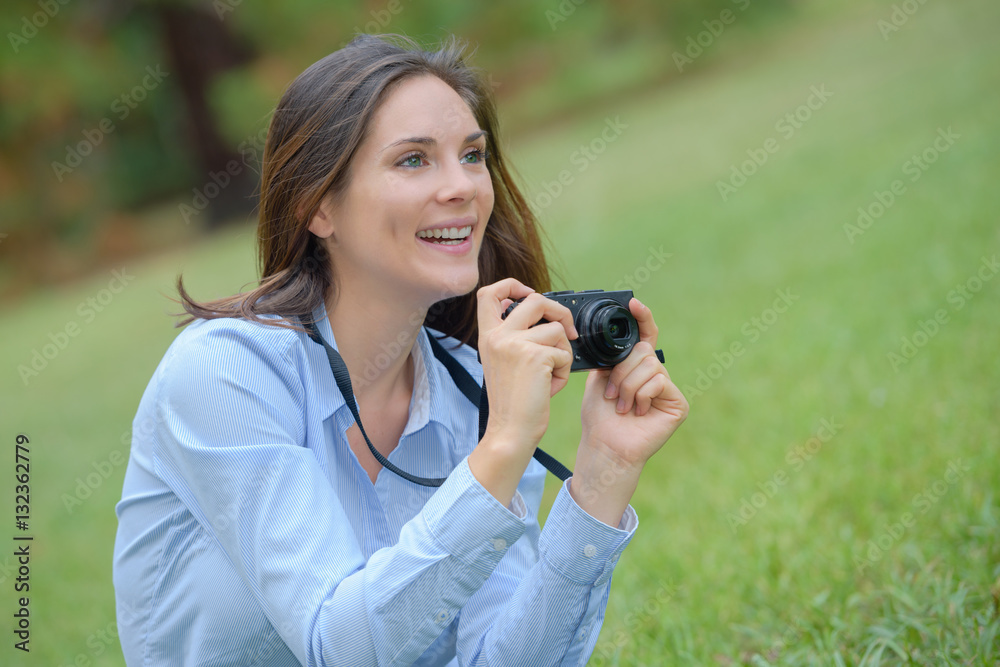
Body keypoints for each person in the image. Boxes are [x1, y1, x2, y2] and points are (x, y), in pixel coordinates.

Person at [113, 34, 688, 666]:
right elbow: (338, 647)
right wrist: (500, 450)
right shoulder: (224, 374)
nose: (463, 186)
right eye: (413, 160)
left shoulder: (477, 387)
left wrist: (603, 474)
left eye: (472, 155)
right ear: (317, 207)